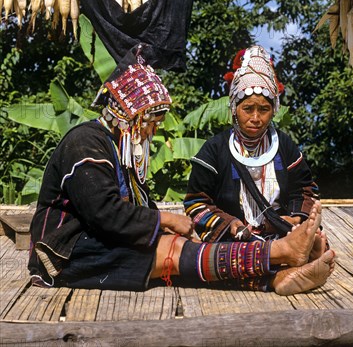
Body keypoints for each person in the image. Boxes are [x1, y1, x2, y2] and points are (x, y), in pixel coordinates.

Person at [28, 48, 335, 295]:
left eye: (264, 109)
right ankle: (280, 254)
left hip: (99, 242)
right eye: (151, 120)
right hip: (66, 253)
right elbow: (105, 214)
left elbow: (126, 211)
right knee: (172, 253)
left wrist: (293, 219)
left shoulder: (116, 147)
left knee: (186, 254)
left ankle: (275, 278)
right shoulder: (85, 143)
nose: (155, 129)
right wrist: (165, 219)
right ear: (130, 115)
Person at [185, 45, 325, 249]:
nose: (256, 118)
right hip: (232, 241)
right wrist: (230, 223)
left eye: (264, 109)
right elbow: (195, 203)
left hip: (281, 233)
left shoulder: (284, 146)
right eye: (248, 109)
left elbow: (306, 190)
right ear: (234, 108)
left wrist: (293, 219)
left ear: (274, 110)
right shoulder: (214, 150)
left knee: (315, 244)